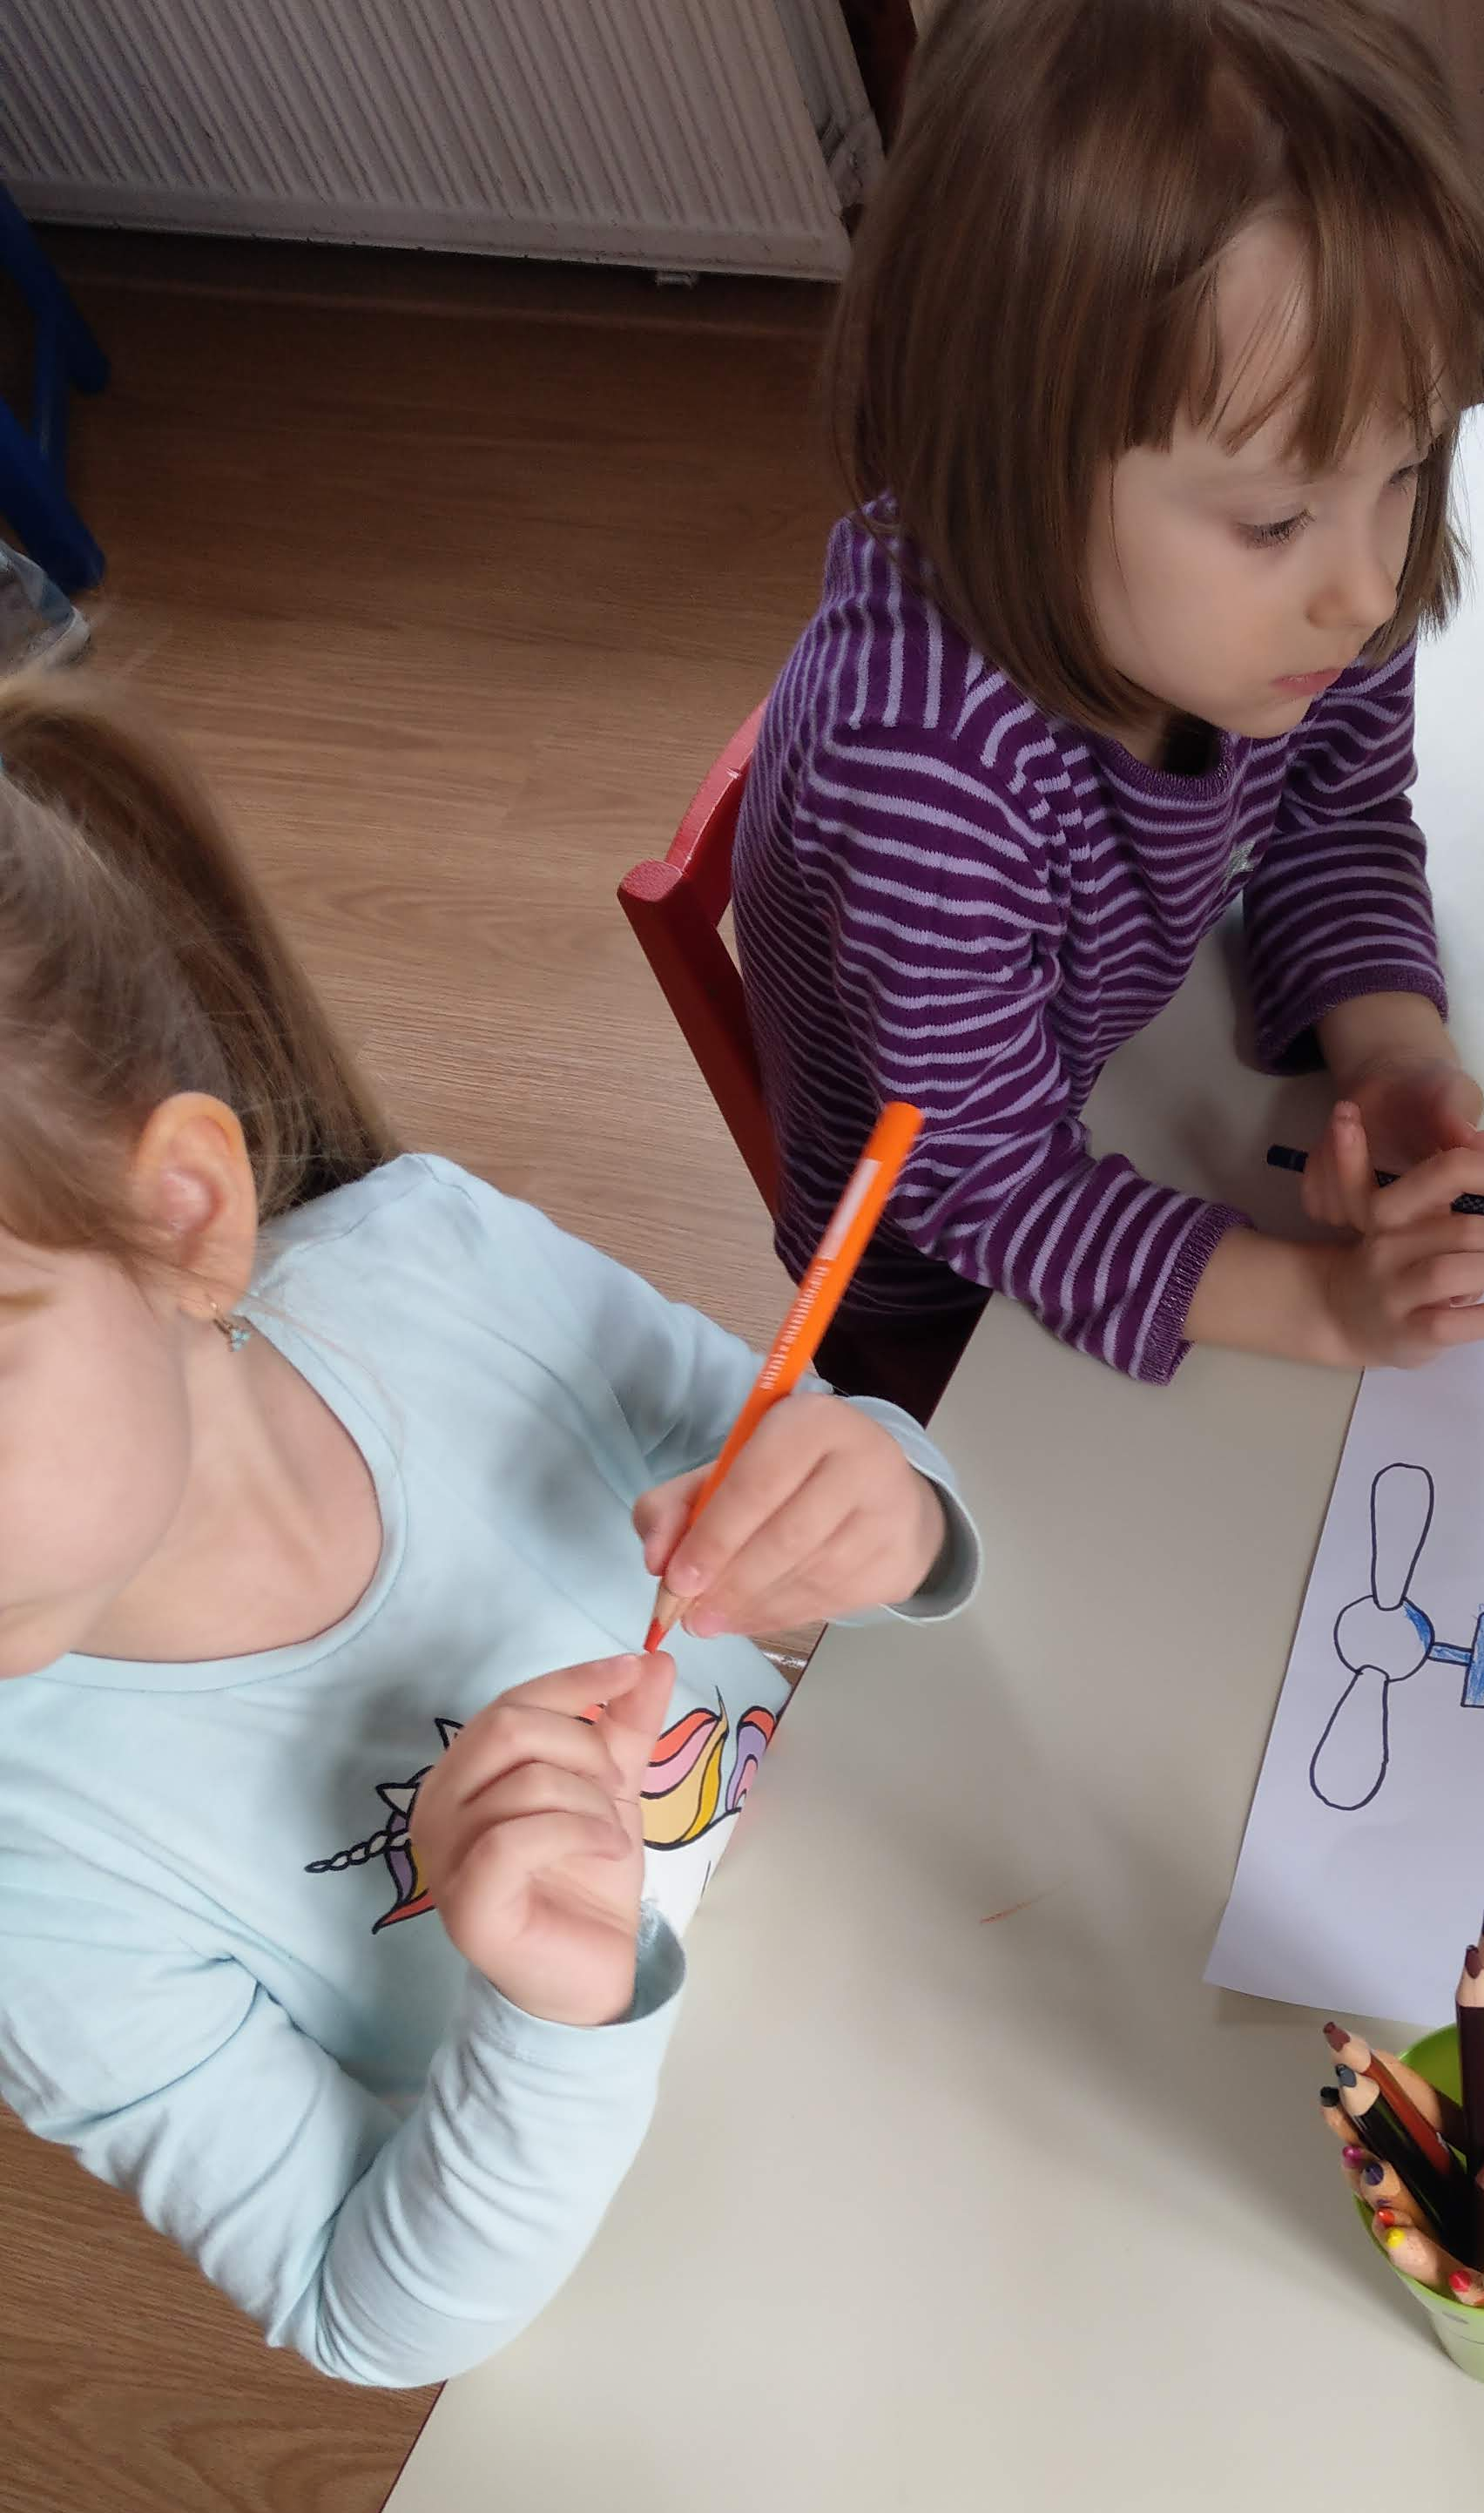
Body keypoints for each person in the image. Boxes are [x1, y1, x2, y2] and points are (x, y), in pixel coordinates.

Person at [0, 679, 978, 2388]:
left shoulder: (434, 1261)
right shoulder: (36, 1883)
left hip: (955, 1964)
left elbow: (813, 1457)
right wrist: (546, 2008)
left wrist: (892, 1511)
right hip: (741, 2297)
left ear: (182, 1220)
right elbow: (360, 2308)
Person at [732, 0, 1484, 1407]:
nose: (1367, 586)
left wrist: (1390, 1061)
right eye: (1274, 518)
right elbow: (980, 1184)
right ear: (1015, 453)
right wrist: (1323, 1305)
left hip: (1120, 1091)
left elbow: (1337, 821)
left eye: (1410, 464)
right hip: (944, 1297)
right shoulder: (924, 773)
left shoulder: (1307, 592)